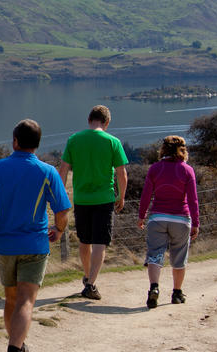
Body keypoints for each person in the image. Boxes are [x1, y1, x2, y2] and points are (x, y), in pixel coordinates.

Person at [0, 119, 71, 352]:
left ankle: (17, 345)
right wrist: (59, 229)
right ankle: (16, 346)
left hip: (5, 246)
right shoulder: (48, 172)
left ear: (15, 141)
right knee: (26, 301)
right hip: (35, 245)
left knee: (11, 300)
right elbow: (63, 211)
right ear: (37, 144)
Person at [58, 105, 128, 300]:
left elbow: (63, 170)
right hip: (104, 198)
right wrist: (121, 196)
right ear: (106, 122)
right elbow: (122, 173)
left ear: (89, 120)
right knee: (100, 242)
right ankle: (91, 284)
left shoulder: (74, 140)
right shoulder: (113, 141)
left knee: (84, 240)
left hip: (81, 199)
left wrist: (61, 196)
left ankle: (88, 276)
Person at [136, 135, 200, 309]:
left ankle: (154, 288)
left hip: (158, 218)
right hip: (181, 218)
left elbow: (146, 195)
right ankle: (177, 293)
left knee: (155, 254)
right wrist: (196, 223)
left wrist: (142, 216)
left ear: (163, 150)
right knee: (179, 256)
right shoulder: (187, 170)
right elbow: (193, 200)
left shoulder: (155, 169)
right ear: (183, 150)